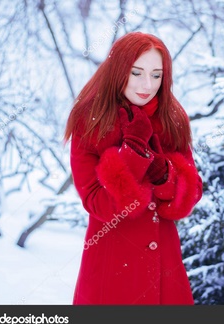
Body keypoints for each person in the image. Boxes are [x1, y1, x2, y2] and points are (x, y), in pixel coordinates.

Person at [63, 31, 203, 305]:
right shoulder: (89, 121)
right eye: (136, 73)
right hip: (111, 269)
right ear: (118, 71)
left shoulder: (172, 118)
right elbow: (98, 204)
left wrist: (164, 174)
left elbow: (189, 197)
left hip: (165, 269)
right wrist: (134, 152)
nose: (147, 84)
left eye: (156, 75)